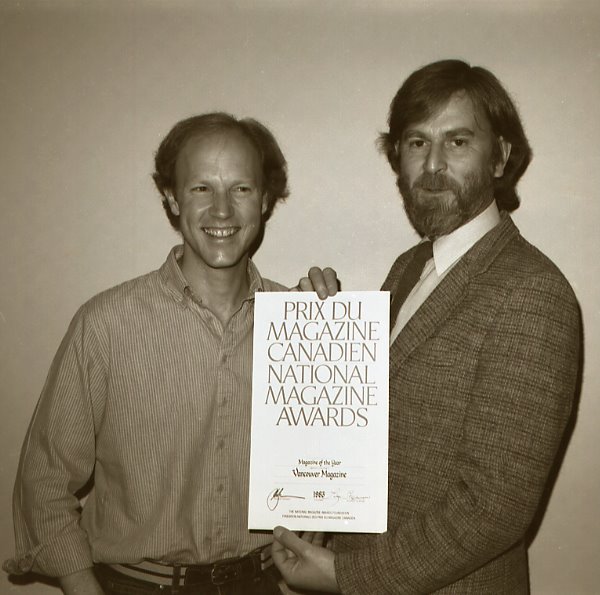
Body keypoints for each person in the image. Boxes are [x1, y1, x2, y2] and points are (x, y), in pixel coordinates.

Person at [271, 59, 581, 594]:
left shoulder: (533, 293)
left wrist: (346, 575)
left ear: (500, 156)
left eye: (457, 142)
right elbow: (374, 432)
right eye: (417, 143)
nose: (433, 165)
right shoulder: (409, 267)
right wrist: (320, 336)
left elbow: (493, 507)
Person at [4, 112, 338, 595]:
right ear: (172, 198)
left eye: (241, 189)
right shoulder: (105, 325)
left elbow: (330, 477)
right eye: (201, 188)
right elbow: (44, 481)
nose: (221, 210)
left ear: (265, 199)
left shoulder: (303, 325)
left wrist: (334, 335)